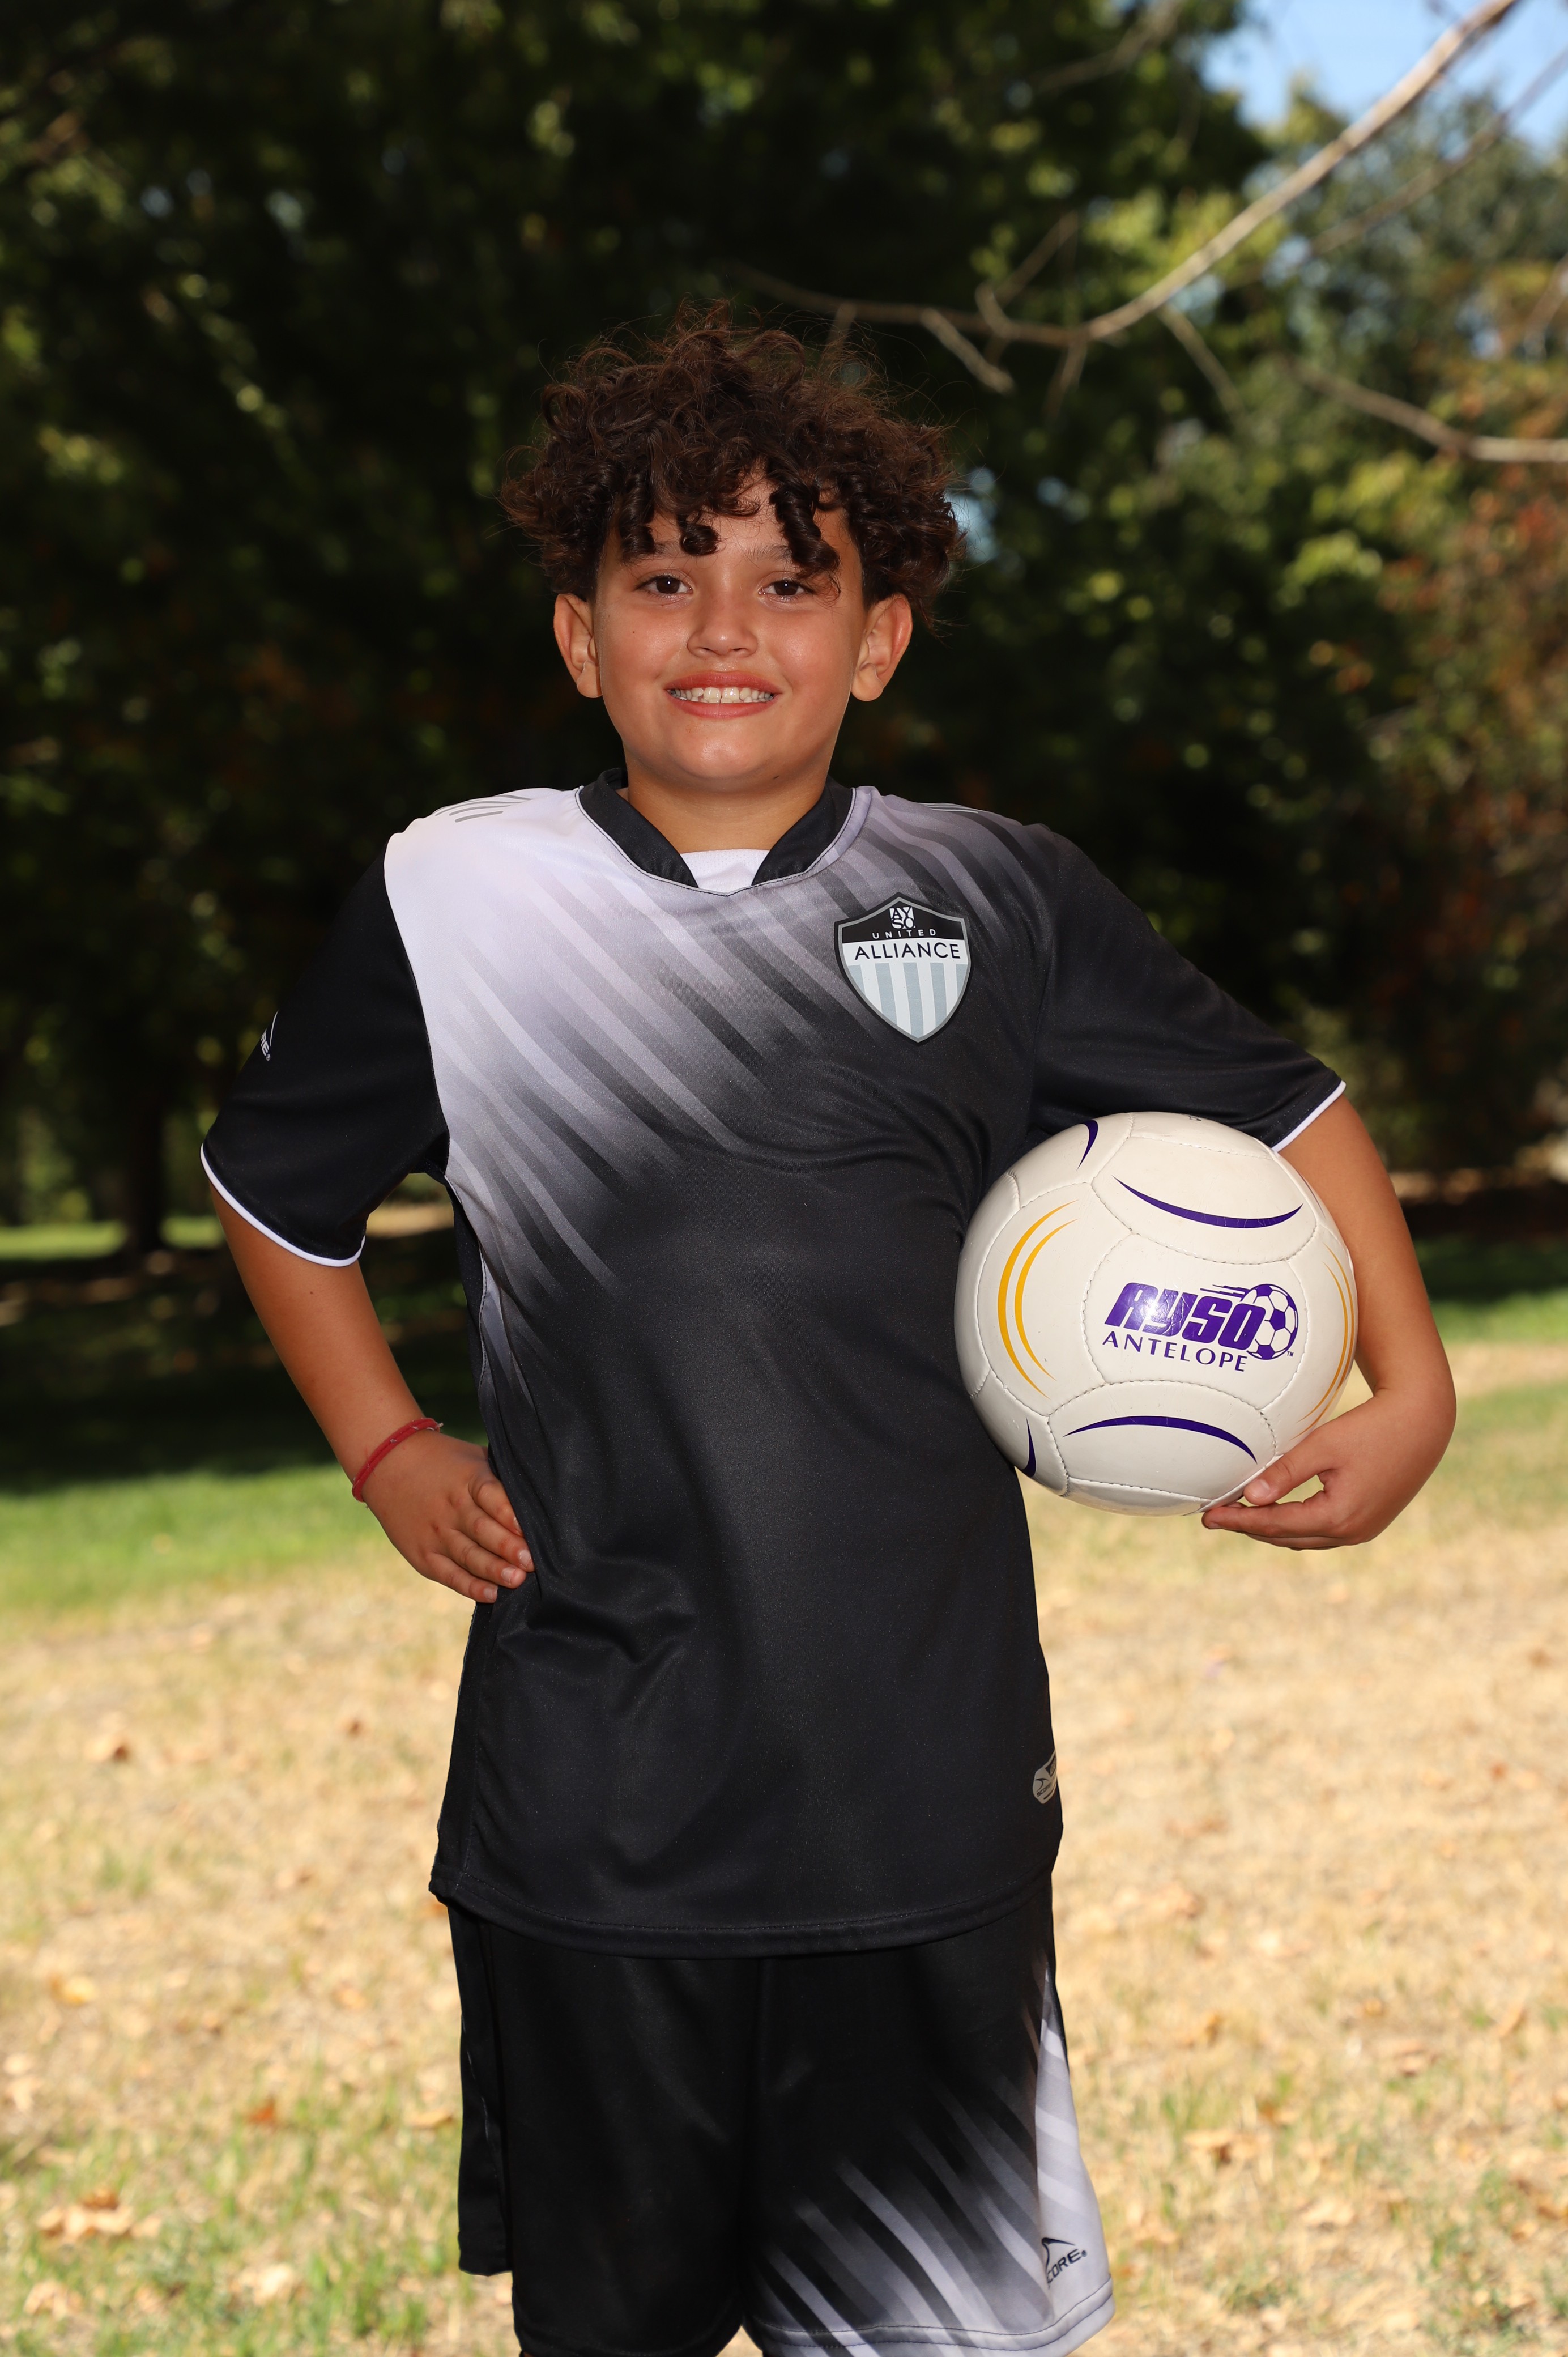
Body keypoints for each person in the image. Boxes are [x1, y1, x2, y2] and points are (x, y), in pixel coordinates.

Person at [202, 311, 1455, 2357]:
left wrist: (1414, 1386)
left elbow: (1288, 1105)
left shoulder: (1000, 898)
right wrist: (389, 1445)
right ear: (579, 636)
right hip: (596, 1821)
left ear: (878, 641)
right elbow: (275, 1192)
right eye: (662, 577)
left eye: (793, 582)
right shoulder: (455, 900)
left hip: (921, 1807)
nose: (726, 627)